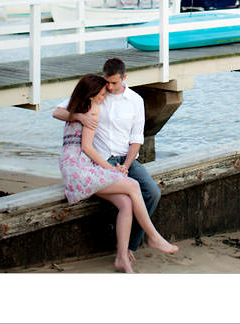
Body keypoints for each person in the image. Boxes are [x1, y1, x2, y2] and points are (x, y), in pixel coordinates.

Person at [57, 74, 178, 273]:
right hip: (81, 169)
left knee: (126, 202)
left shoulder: (74, 106)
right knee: (133, 185)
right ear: (92, 95)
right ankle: (153, 236)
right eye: (103, 93)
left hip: (71, 168)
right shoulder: (92, 109)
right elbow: (87, 147)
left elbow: (57, 113)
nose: (105, 97)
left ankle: (122, 257)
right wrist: (109, 167)